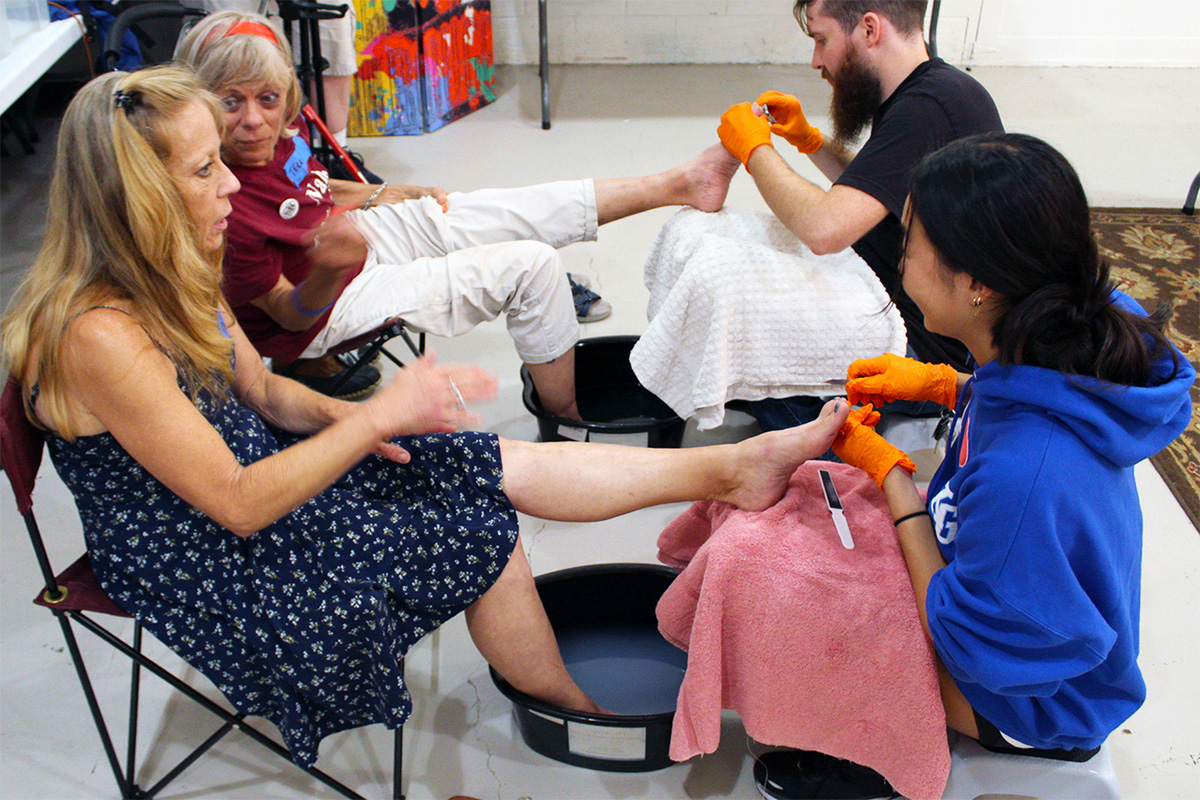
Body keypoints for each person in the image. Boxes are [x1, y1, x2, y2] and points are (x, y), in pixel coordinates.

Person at [0, 66, 848, 771]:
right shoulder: (97, 336)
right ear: (139, 196)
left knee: (469, 463)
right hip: (210, 560)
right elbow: (237, 502)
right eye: (201, 170)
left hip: (248, 481)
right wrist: (371, 425)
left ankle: (731, 470)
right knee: (480, 528)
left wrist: (366, 418)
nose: (230, 181)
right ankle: (574, 704)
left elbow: (262, 394)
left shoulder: (172, 265)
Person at [754, 132, 1193, 800]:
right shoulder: (1079, 319)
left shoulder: (1028, 476)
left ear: (980, 285)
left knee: (800, 602)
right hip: (1023, 604)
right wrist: (950, 386)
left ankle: (881, 760)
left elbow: (964, 642)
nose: (901, 259)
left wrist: (894, 481)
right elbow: (1022, 416)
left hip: (1029, 709)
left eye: (912, 246)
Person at [173, 10, 740, 407]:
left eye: (267, 99)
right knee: (531, 264)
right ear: (198, 105)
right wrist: (329, 267)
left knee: (500, 209)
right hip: (322, 309)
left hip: (344, 243)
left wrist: (378, 193)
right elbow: (287, 320)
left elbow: (310, 189)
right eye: (230, 102)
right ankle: (569, 418)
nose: (253, 119)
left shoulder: (278, 130)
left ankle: (680, 183)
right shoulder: (222, 208)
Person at [714, 0, 1003, 431]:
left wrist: (754, 150)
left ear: (870, 30)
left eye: (821, 40)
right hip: (901, 304)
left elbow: (824, 229)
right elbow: (879, 190)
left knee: (748, 343)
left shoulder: (926, 110)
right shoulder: (932, 91)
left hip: (925, 351)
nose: (817, 61)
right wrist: (810, 142)